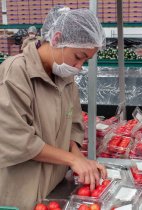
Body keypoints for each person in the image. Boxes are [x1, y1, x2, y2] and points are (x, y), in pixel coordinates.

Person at [0, 6, 107, 209]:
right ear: (57, 39)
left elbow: (73, 124)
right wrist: (72, 161)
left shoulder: (65, 79)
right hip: (21, 192)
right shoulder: (15, 73)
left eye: (86, 60)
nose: (79, 66)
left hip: (53, 189)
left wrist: (77, 157)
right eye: (78, 56)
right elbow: (15, 139)